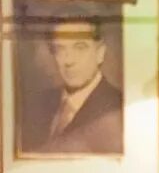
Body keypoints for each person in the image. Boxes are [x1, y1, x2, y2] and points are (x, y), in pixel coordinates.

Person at [24, 16, 123, 155]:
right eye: (60, 49)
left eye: (80, 48)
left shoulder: (119, 106)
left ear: (100, 53)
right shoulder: (37, 104)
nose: (69, 60)